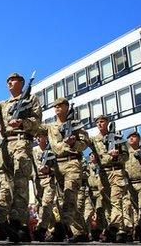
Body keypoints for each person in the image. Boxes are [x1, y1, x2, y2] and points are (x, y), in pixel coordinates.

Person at [0, 72, 41, 243]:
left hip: (22, 140)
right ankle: (2, 223)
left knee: (21, 182)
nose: (9, 82)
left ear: (21, 83)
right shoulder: (3, 104)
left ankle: (18, 224)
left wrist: (23, 123)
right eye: (7, 80)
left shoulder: (31, 100)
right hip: (6, 145)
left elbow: (37, 121)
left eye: (13, 80)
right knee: (7, 185)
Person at [44, 97, 89, 243]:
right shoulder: (51, 127)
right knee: (65, 199)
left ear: (67, 107)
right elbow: (35, 128)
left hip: (72, 162)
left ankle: (61, 228)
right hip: (57, 165)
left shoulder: (76, 125)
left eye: (60, 105)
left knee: (70, 195)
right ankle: (80, 232)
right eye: (55, 106)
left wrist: (74, 143)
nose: (57, 108)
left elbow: (85, 143)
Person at [89, 115, 129, 243]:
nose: (100, 124)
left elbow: (126, 156)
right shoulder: (94, 140)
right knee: (106, 203)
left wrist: (117, 156)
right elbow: (83, 144)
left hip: (116, 171)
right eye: (98, 122)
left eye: (102, 122)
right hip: (103, 174)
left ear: (107, 123)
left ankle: (115, 229)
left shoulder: (117, 138)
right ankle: (114, 229)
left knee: (116, 201)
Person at [32, 125, 57, 242]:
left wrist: (50, 170)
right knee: (41, 206)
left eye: (40, 136)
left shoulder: (52, 150)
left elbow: (58, 167)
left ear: (45, 137)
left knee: (46, 204)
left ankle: (41, 229)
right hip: (37, 181)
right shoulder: (34, 151)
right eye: (36, 137)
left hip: (49, 179)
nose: (38, 139)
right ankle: (56, 229)